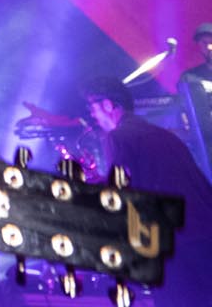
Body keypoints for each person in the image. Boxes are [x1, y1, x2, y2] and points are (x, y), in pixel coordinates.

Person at [82, 80, 212, 304]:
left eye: (92, 107)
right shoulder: (163, 135)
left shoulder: (118, 136)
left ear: (108, 105)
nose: (92, 115)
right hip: (203, 232)